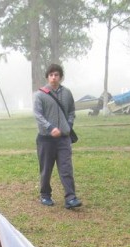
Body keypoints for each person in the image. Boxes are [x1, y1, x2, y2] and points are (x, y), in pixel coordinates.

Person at [33, 63, 82, 209]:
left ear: (60, 77)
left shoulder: (67, 93)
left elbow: (72, 111)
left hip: (63, 139)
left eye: (56, 75)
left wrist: (68, 125)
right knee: (46, 169)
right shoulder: (40, 94)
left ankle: (71, 198)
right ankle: (45, 195)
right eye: (51, 75)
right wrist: (50, 128)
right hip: (46, 139)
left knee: (66, 168)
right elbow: (38, 115)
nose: (54, 77)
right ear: (47, 77)